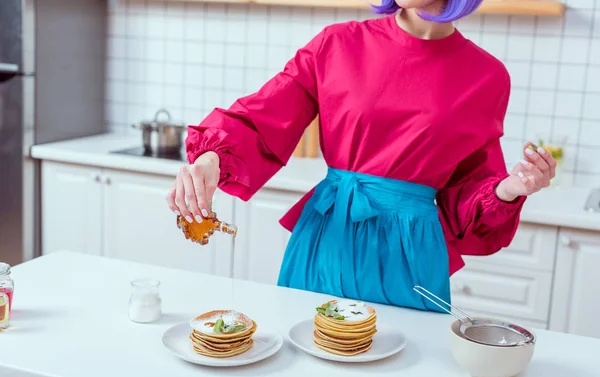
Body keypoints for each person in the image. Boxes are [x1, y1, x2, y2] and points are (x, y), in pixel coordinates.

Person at [166, 0, 556, 312]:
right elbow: (264, 115)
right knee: (306, 362)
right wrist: (211, 158)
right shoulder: (336, 44)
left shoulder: (487, 76)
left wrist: (508, 188)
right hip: (328, 235)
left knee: (403, 371)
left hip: (411, 252)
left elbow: (468, 190)